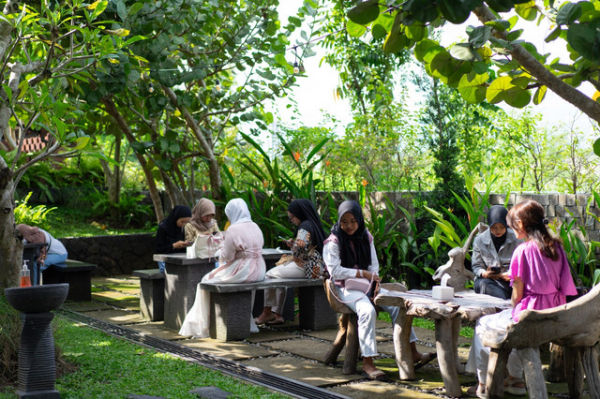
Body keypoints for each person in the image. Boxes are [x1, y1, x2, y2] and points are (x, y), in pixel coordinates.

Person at [466, 200, 577, 397]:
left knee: (483, 325)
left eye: (511, 224)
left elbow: (517, 295)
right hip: (554, 315)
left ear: (522, 224)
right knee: (510, 328)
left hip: (530, 315)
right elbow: (567, 286)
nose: (509, 228)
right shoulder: (557, 247)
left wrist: (515, 305)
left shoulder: (522, 251)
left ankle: (484, 382)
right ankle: (515, 379)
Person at [323, 200, 435, 380]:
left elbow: (373, 264)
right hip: (345, 288)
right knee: (367, 311)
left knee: (398, 305)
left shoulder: (365, 236)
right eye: (344, 221)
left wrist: (374, 282)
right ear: (339, 221)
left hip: (367, 284)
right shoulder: (333, 241)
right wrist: (362, 273)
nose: (349, 225)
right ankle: (368, 363)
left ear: (359, 219)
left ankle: (412, 352)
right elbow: (334, 271)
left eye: (353, 220)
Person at [179, 198, 266, 338]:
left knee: (205, 281)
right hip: (259, 269)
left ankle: (203, 324)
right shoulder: (255, 226)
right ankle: (246, 321)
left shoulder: (233, 229)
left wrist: (219, 251)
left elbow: (227, 257)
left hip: (243, 270)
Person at [255, 199, 327, 325]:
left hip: (307, 267)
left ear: (299, 214)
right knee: (278, 276)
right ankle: (277, 314)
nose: (292, 221)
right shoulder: (313, 224)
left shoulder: (305, 226)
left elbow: (300, 250)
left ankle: (267, 313)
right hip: (317, 267)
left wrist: (293, 245)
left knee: (270, 275)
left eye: (292, 217)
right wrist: (294, 243)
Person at [471, 205, 521, 299]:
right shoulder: (479, 240)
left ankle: (503, 298)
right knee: (482, 284)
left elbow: (522, 265)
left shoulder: (517, 239)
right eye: (494, 227)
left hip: (511, 281)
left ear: (507, 225)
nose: (498, 231)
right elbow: (476, 266)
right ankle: (503, 298)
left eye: (501, 227)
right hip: (489, 281)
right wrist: (484, 273)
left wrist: (510, 274)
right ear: (489, 225)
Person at [154, 205, 192, 272]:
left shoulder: (183, 228)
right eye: (182, 221)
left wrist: (186, 244)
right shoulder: (163, 228)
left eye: (187, 222)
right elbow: (159, 249)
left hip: (180, 259)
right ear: (175, 218)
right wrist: (174, 246)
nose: (184, 224)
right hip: (165, 260)